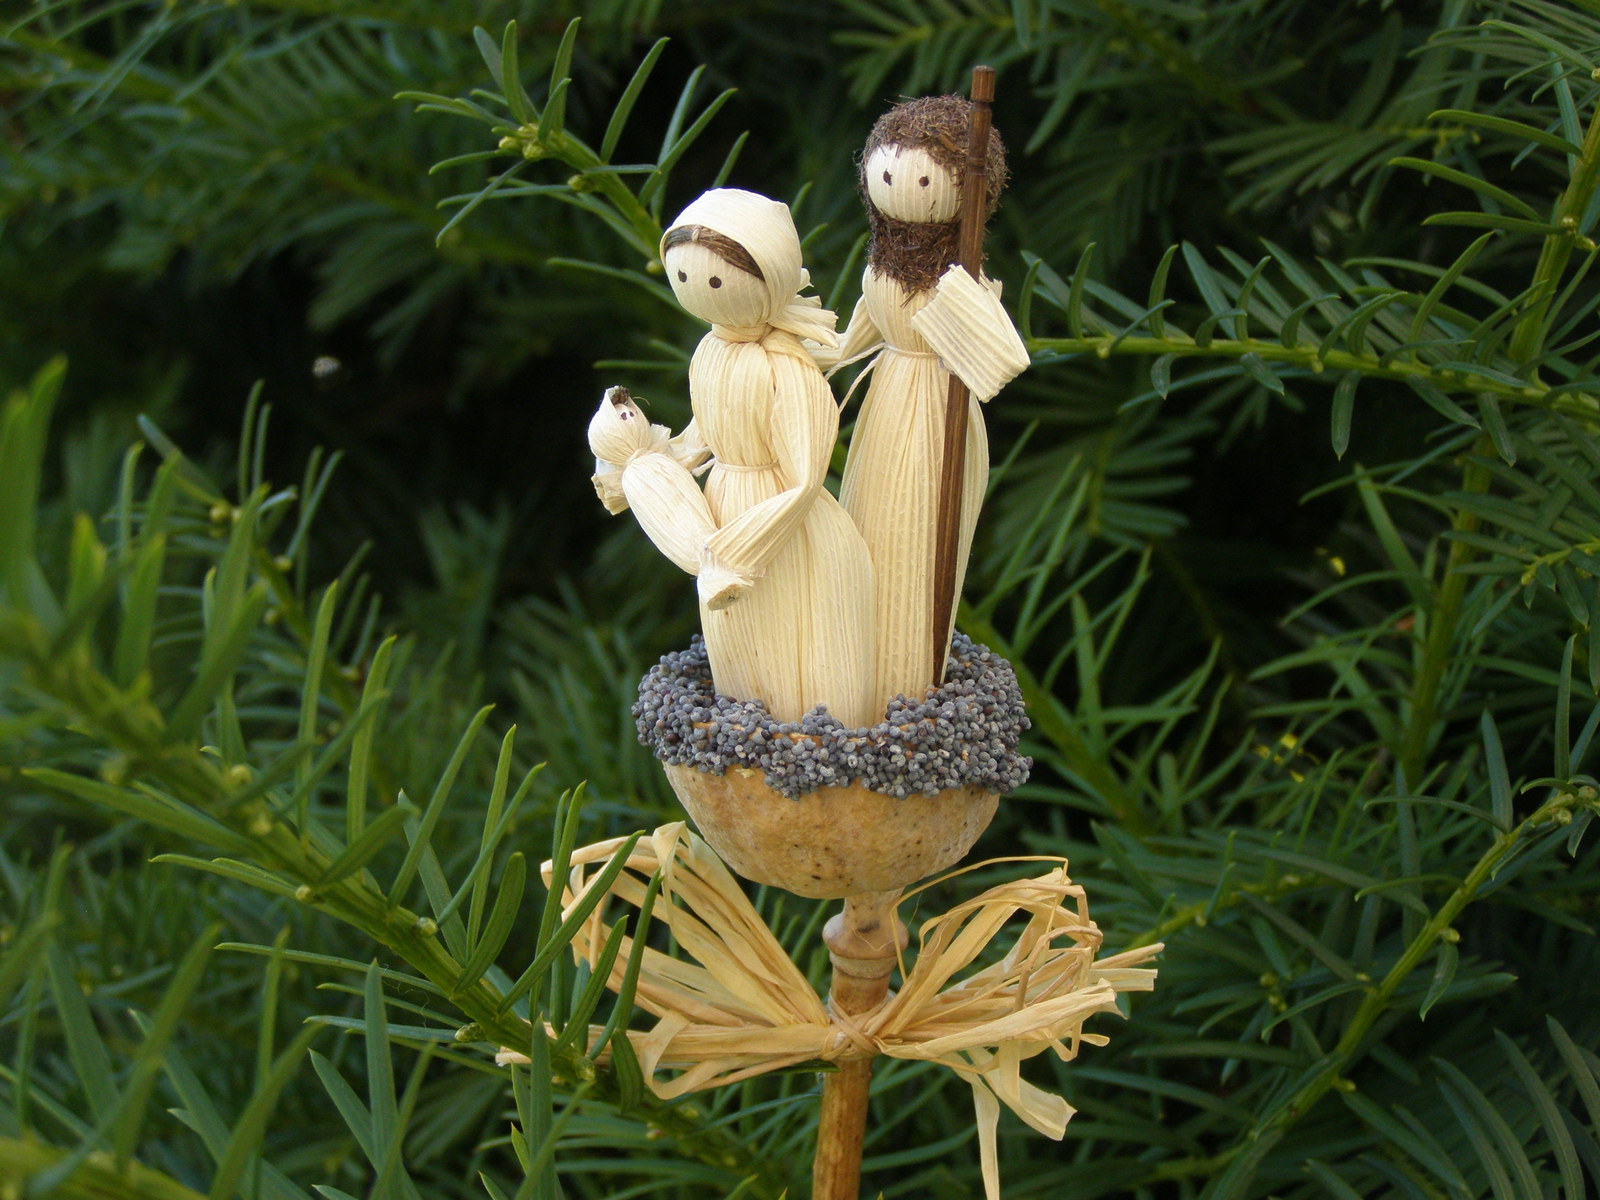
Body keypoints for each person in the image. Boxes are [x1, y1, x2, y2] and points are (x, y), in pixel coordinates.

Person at [593, 188, 877, 730]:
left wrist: (735, 552)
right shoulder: (710, 350)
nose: (696, 288)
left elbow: (806, 476)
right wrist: (654, 465)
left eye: (716, 280)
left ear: (771, 277)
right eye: (681, 275)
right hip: (722, 500)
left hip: (781, 523)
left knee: (798, 632)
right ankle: (750, 736)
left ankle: (820, 738)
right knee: (742, 647)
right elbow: (704, 429)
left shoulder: (787, 367)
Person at [835, 95, 1030, 705]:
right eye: (887, 174)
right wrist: (821, 354)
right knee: (867, 523)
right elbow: (864, 327)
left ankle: (907, 682)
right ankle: (854, 667)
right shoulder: (884, 265)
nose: (901, 191)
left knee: (916, 544)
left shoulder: (959, 278)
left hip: (936, 408)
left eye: (923, 181)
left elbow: (1001, 357)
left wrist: (964, 312)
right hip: (885, 404)